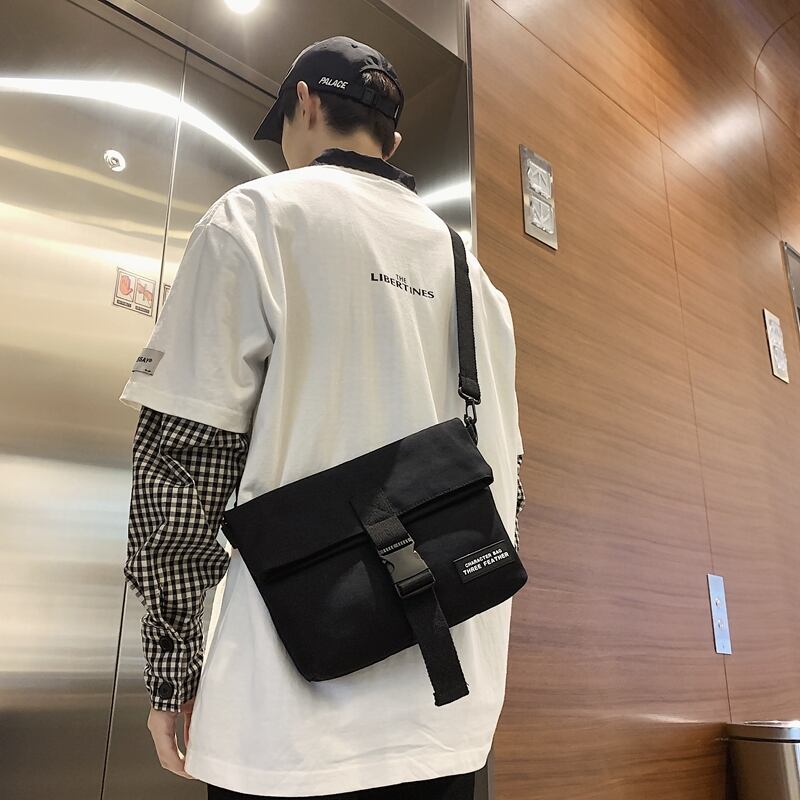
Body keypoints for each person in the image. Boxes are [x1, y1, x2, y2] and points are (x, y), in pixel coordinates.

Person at [119, 35, 526, 800]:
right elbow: (511, 484)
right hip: (451, 726)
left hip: (288, 729)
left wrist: (172, 673)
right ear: (392, 141)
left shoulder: (256, 217)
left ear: (303, 103)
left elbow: (181, 467)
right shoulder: (479, 283)